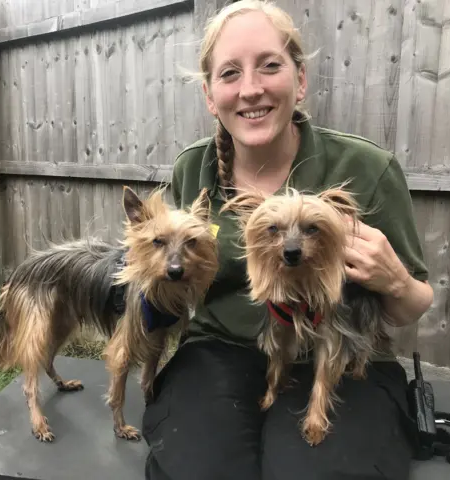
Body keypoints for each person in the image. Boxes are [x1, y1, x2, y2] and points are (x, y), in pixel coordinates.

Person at [141, 1, 434, 479]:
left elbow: (413, 305)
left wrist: (396, 281)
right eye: (230, 73)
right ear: (211, 96)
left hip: (337, 350)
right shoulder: (193, 170)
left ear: (300, 80)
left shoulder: (364, 169)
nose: (251, 88)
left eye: (270, 65)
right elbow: (176, 286)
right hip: (221, 350)